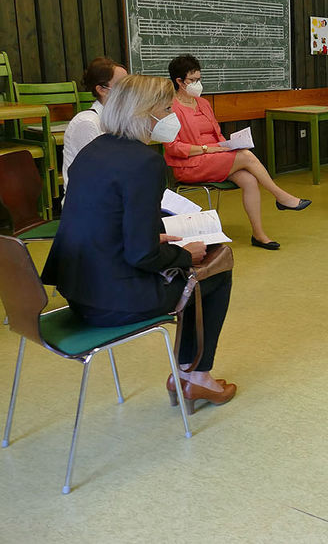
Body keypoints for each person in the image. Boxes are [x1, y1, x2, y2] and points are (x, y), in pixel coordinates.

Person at [42, 75, 236, 408]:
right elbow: (141, 255)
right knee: (216, 270)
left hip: (78, 290)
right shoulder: (145, 162)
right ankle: (194, 377)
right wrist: (182, 254)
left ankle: (189, 375)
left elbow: (103, 220)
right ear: (143, 113)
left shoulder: (93, 150)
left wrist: (152, 235)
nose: (170, 117)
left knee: (194, 269)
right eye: (165, 109)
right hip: (112, 301)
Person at [164, 54, 310, 251]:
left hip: (215, 158)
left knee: (249, 180)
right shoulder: (170, 107)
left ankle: (259, 235)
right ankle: (280, 196)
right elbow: (173, 147)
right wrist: (207, 149)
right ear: (179, 81)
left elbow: (217, 133)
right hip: (190, 163)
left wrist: (228, 145)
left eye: (199, 79)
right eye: (192, 80)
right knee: (246, 157)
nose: (197, 84)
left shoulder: (204, 103)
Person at [61, 57, 128, 190]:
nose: (129, 90)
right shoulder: (87, 123)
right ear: (102, 90)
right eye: (122, 85)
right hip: (88, 203)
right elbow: (98, 173)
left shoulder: (119, 119)